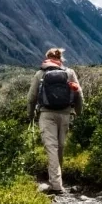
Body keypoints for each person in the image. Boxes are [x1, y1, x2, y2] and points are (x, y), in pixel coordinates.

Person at [27, 48, 84, 195]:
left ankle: (56, 185)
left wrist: (31, 115)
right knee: (60, 147)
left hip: (46, 115)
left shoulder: (40, 74)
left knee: (51, 148)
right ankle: (58, 181)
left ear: (47, 58)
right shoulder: (69, 73)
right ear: (61, 58)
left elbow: (31, 98)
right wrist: (78, 112)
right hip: (65, 114)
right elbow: (79, 94)